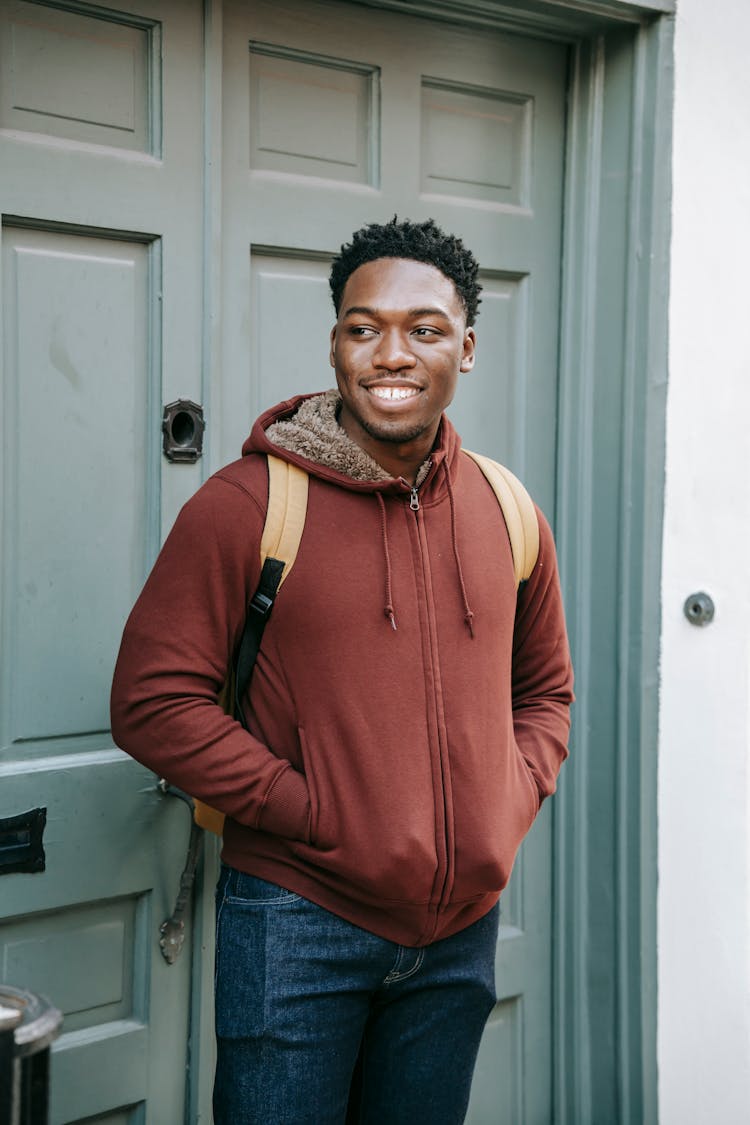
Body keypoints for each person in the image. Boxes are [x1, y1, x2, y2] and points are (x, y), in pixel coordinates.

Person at [110, 218, 574, 1125]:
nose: (391, 354)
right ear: (336, 343)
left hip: (457, 937)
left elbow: (546, 691)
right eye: (364, 328)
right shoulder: (248, 504)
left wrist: (503, 800)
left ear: (467, 347)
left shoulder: (508, 507)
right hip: (296, 923)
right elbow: (152, 702)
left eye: (425, 329)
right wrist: (311, 811)